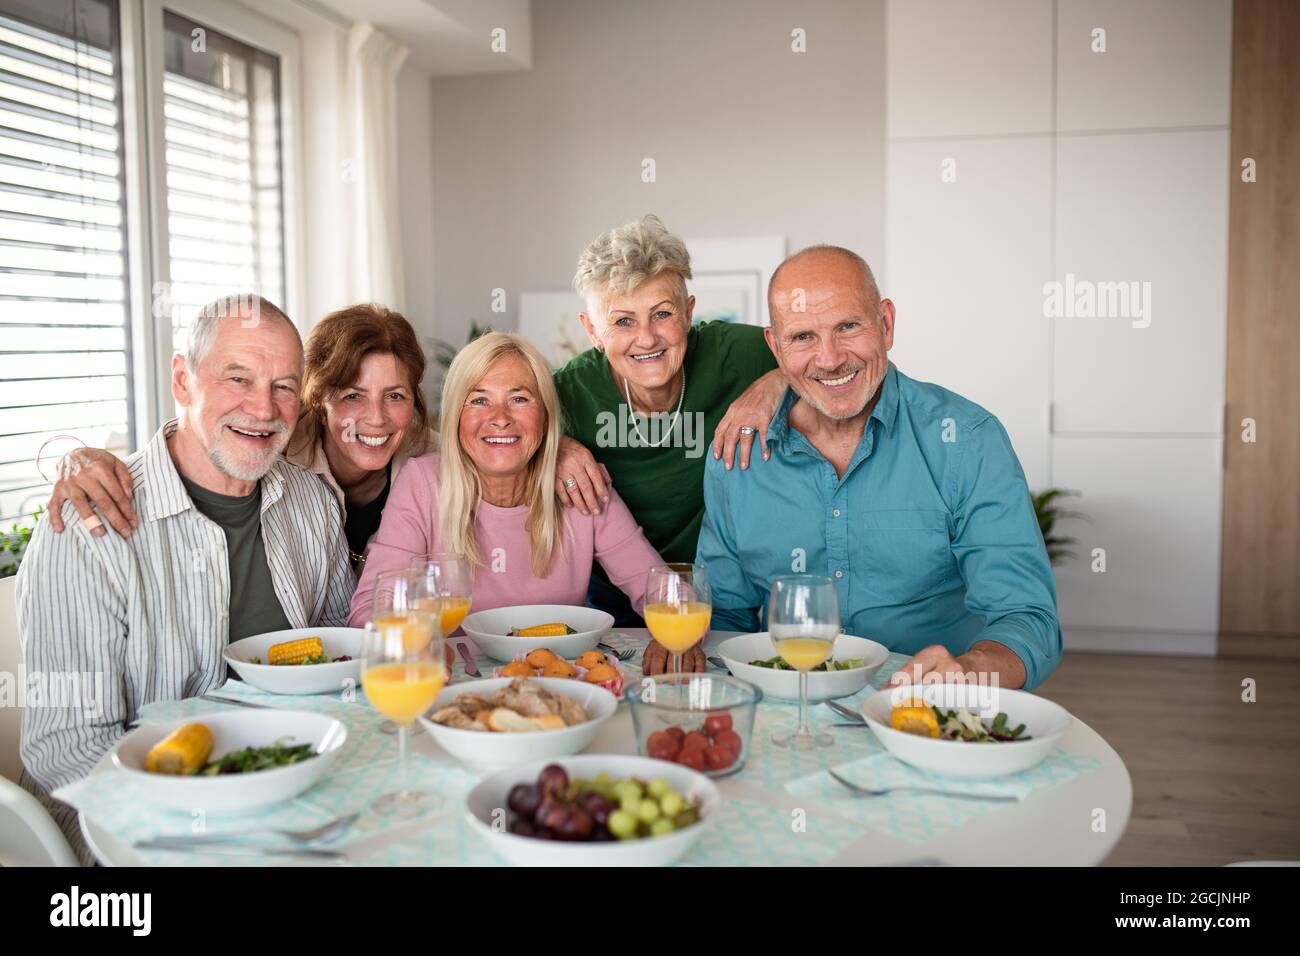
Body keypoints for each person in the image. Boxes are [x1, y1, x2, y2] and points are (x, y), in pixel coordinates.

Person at [17, 295, 355, 860]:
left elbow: (339, 668)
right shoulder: (87, 527)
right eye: (238, 378)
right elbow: (66, 749)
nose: (263, 409)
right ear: (182, 379)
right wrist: (217, 813)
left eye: (284, 387)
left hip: (283, 798)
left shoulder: (313, 505)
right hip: (131, 827)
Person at [696, 246, 1063, 690]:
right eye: (803, 337)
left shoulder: (967, 441)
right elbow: (724, 618)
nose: (830, 359)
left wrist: (970, 670)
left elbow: (1025, 617)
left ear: (885, 324)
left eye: (848, 326)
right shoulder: (738, 455)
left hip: (926, 712)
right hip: (789, 709)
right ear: (775, 346)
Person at [552, 215, 793, 672]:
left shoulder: (742, 354)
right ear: (592, 331)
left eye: (662, 313)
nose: (646, 338)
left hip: (723, 600)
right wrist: (554, 447)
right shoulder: (567, 391)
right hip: (614, 609)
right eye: (622, 321)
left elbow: (833, 363)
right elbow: (496, 441)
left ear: (688, 311)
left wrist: (777, 380)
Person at [45, 303, 437, 575]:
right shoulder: (275, 438)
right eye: (353, 395)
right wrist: (75, 456)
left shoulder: (433, 459)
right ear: (317, 397)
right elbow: (203, 433)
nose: (376, 418)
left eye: (395, 395)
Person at [349, 332, 663, 626]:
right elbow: (372, 608)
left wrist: (676, 637)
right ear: (456, 416)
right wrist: (415, 647)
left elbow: (661, 588)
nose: (500, 418)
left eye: (520, 399)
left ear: (546, 416)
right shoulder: (422, 482)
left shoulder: (578, 483)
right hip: (453, 681)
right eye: (479, 400)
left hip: (555, 679)